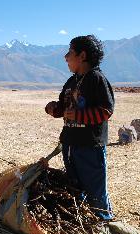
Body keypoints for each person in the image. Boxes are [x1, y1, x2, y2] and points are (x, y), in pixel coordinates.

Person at [44, 35, 115, 220]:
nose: (65, 57)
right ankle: (82, 222)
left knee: (95, 190)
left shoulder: (97, 79)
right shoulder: (71, 81)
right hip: (70, 144)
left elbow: (106, 110)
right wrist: (54, 109)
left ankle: (103, 223)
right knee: (75, 187)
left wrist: (79, 116)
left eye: (70, 52)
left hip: (90, 147)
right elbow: (64, 107)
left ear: (82, 56)